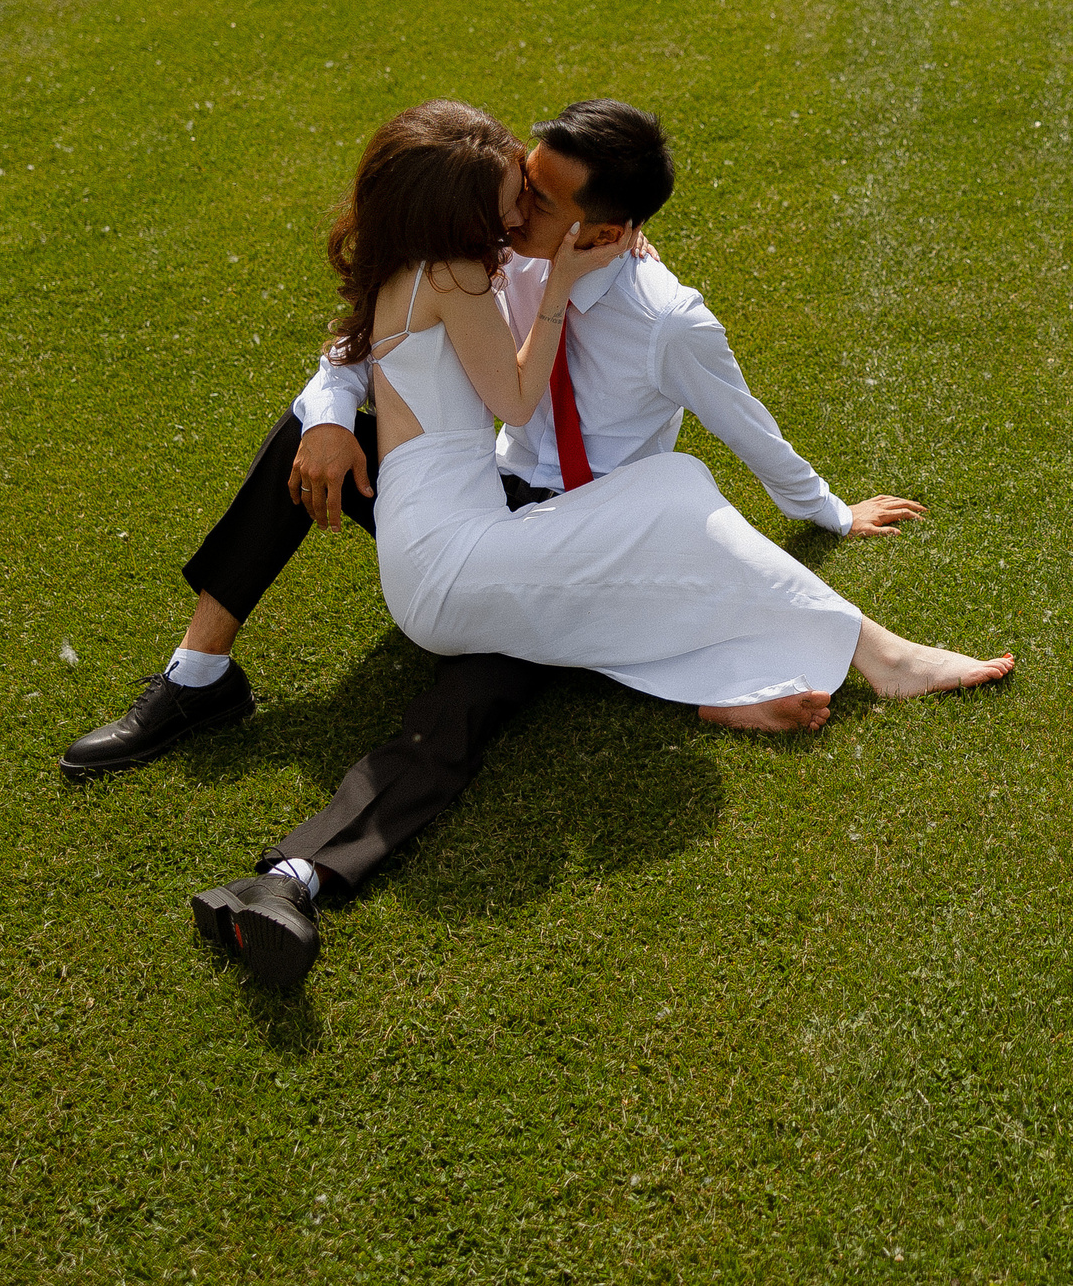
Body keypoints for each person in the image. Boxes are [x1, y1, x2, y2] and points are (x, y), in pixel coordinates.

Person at [71, 98, 1011, 984]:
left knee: (472, 696)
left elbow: (746, 424)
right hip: (481, 499)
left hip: (580, 543)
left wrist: (830, 510)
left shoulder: (670, 319)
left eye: (541, 201)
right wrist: (327, 412)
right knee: (308, 435)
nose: (516, 208)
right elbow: (373, 335)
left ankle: (300, 875)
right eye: (524, 177)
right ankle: (198, 676)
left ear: (600, 230)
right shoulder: (499, 252)